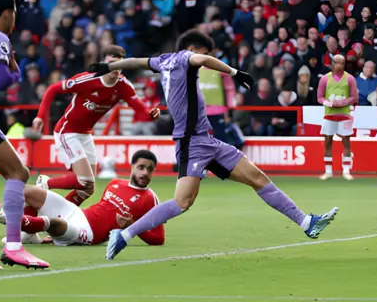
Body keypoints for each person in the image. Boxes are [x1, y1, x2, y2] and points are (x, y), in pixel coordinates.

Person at [88, 30, 338, 260]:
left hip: (208, 141)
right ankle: (123, 235)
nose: (205, 58)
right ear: (193, 48)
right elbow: (202, 61)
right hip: (191, 143)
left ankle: (306, 222)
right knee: (182, 202)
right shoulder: (186, 58)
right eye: (204, 52)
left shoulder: (162, 60)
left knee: (257, 178)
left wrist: (109, 65)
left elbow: (136, 61)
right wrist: (234, 72)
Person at [33, 45, 160, 207]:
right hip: (67, 131)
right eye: (112, 63)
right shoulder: (88, 79)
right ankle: (45, 183)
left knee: (88, 188)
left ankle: (62, 216)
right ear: (104, 63)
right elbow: (52, 89)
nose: (116, 68)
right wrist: (39, 117)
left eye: (120, 64)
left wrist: (151, 115)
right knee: (85, 179)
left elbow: (141, 111)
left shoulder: (123, 86)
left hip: (85, 134)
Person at [0, 150, 165, 246]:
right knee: (26, 191)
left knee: (54, 223)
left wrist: (133, 227)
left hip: (89, 234)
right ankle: (30, 233)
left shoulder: (150, 199)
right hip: (78, 214)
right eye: (141, 167)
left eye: (149, 169)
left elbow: (158, 239)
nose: (144, 173)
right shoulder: (115, 183)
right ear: (132, 166)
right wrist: (64, 206)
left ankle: (0, 217)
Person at [0, 0, 48, 269]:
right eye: (14, 12)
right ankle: (14, 246)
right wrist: (13, 67)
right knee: (18, 172)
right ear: (6, 13)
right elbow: (3, 81)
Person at [317, 54, 358, 180]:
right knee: (328, 141)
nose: (340, 65)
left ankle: (346, 170)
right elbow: (319, 97)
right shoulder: (325, 79)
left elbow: (354, 97)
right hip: (329, 114)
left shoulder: (350, 79)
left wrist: (341, 103)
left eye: (342, 63)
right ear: (332, 64)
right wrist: (330, 103)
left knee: (346, 142)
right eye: (338, 63)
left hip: (345, 114)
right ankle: (328, 171)